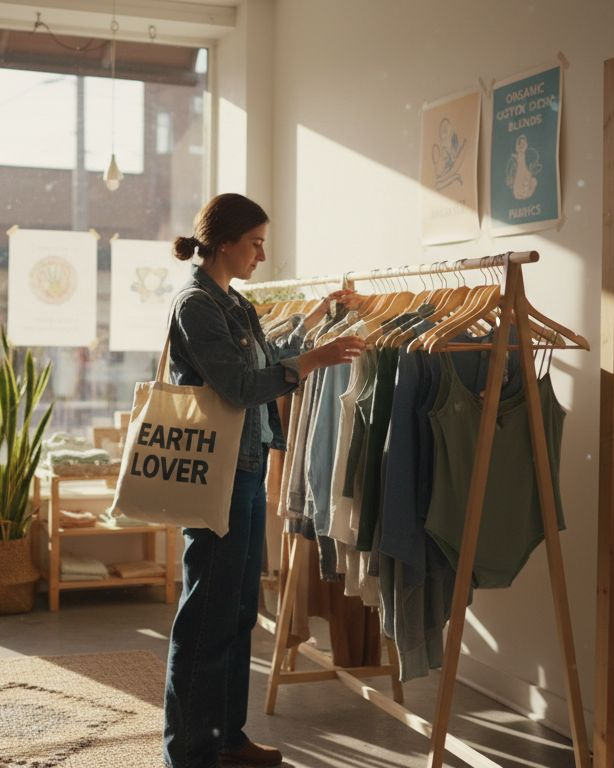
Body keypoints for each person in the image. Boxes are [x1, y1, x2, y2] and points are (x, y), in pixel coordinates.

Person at [162, 192, 365, 768]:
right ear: (224, 242)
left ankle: (227, 737)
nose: (261, 254)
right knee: (206, 615)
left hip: (247, 469)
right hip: (218, 474)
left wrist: (318, 318)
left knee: (237, 612)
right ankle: (189, 753)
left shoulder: (236, 303)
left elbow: (269, 356)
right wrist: (315, 360)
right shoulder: (196, 305)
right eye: (254, 243)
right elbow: (240, 387)